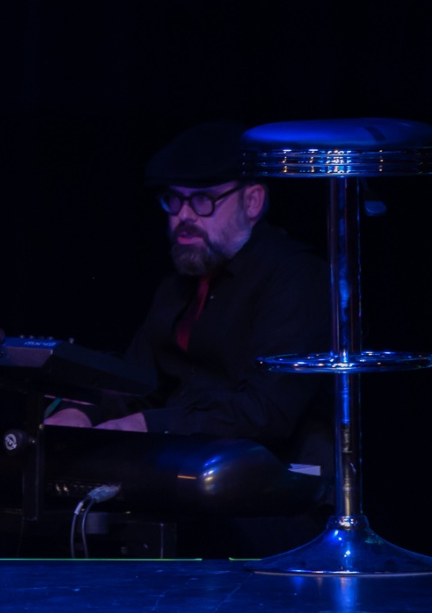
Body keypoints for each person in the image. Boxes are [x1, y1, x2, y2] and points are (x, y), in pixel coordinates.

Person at [46, 121, 331, 550]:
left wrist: (149, 425)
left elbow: (266, 412)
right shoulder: (178, 286)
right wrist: (82, 414)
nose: (183, 217)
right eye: (173, 201)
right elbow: (137, 381)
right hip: (193, 483)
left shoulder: (295, 277)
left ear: (252, 201)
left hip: (277, 498)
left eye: (202, 200)